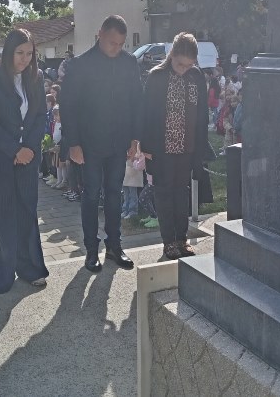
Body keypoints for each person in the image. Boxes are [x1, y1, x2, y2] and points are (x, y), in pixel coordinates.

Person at [59, 15, 141, 272]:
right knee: (91, 195)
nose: (116, 48)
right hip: (89, 144)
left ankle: (115, 245)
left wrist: (135, 138)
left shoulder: (129, 62)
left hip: (119, 142)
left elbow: (137, 101)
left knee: (115, 194)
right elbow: (68, 106)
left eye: (121, 44)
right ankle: (91, 249)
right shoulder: (80, 65)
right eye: (112, 43)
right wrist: (73, 143)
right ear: (100, 34)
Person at [0, 28, 48, 293]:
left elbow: (40, 116)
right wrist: (15, 150)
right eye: (20, 53)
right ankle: (3, 272)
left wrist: (29, 148)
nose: (25, 59)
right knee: (2, 216)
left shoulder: (36, 78)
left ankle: (30, 268)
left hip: (28, 159)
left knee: (27, 213)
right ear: (9, 52)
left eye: (29, 53)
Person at [140, 33, 209, 260]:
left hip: (187, 148)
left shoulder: (196, 77)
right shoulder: (157, 76)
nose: (184, 69)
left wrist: (201, 147)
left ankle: (182, 239)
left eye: (189, 65)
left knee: (181, 194)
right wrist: (146, 146)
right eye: (180, 64)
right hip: (162, 148)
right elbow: (147, 114)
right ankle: (168, 242)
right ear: (172, 56)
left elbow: (202, 113)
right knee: (164, 195)